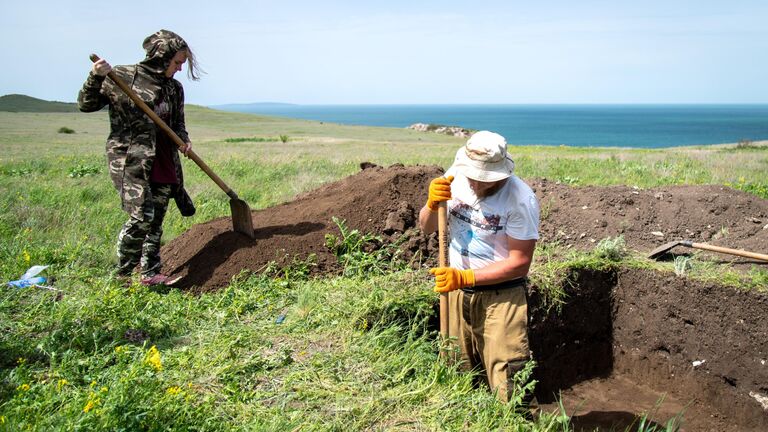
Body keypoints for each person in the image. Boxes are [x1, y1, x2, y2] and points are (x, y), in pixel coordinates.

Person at [418, 131, 540, 408]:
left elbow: (520, 263)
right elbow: (426, 227)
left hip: (501, 299)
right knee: (457, 371)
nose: (476, 182)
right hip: (455, 293)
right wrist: (431, 204)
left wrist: (465, 276)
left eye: (485, 178)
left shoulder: (520, 199)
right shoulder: (455, 177)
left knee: (510, 383)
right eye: (473, 175)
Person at [78, 29, 200, 286]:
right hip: (132, 158)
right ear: (162, 56)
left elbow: (177, 123)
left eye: (182, 63)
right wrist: (95, 76)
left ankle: (150, 274)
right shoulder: (122, 76)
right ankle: (122, 275)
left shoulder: (174, 89)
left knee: (155, 220)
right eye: (177, 62)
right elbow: (86, 104)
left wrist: (184, 141)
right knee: (142, 216)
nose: (179, 69)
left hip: (164, 158)